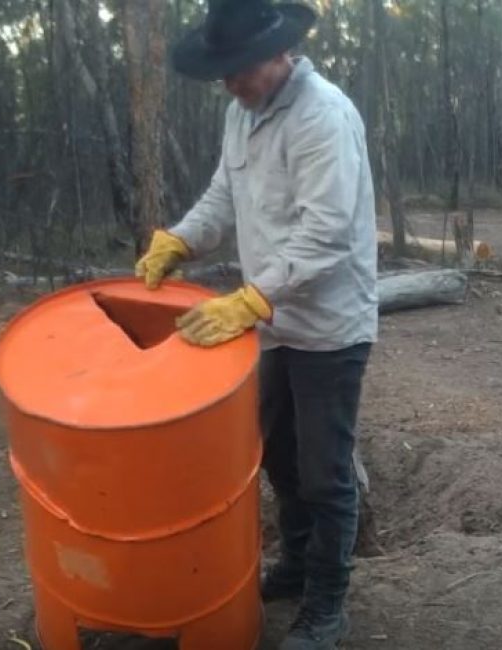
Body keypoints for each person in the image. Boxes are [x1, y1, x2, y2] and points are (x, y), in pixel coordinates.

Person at [134, 1, 377, 648]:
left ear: (280, 52)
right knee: (277, 456)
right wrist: (180, 240)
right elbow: (224, 194)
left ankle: (327, 605)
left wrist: (248, 301)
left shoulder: (323, 117)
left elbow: (326, 235)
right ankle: (297, 566)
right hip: (272, 323)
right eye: (224, 73)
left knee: (326, 473)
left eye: (240, 69)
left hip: (328, 326)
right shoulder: (240, 113)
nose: (231, 83)